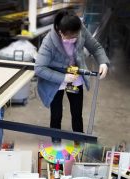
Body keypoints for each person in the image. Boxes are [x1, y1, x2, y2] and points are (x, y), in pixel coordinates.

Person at [34, 9, 109, 144]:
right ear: (60, 31)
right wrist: (63, 78)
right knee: (56, 115)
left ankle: (78, 142)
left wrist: (103, 62)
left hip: (75, 75)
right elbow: (39, 68)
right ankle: (56, 143)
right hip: (55, 79)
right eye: (69, 37)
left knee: (77, 113)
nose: (73, 40)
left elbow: (95, 47)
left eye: (75, 36)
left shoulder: (80, 29)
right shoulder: (49, 41)